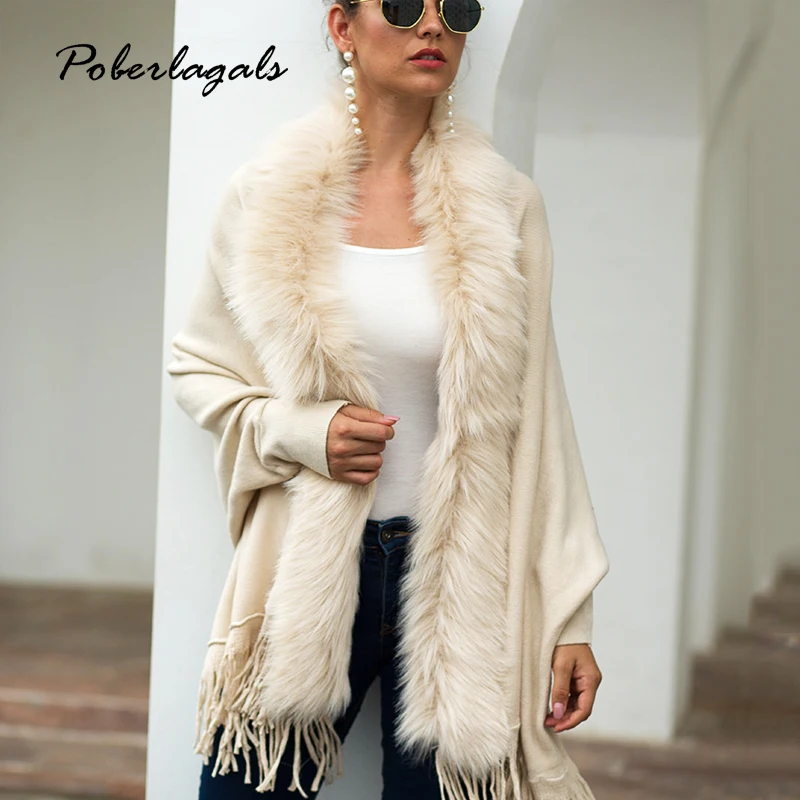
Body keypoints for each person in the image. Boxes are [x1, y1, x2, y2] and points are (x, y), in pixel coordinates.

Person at [167, 1, 611, 799]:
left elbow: (542, 420)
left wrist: (569, 618)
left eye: (457, 9)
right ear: (344, 28)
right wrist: (303, 431)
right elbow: (198, 366)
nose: (433, 26)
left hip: (463, 581)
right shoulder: (267, 197)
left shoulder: (508, 207)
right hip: (307, 568)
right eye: (403, 6)